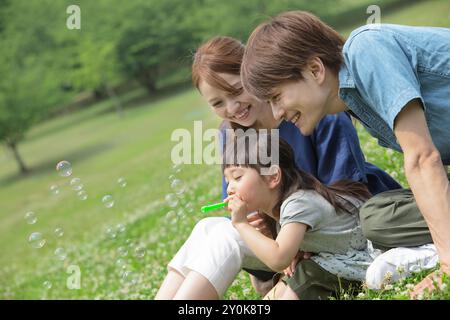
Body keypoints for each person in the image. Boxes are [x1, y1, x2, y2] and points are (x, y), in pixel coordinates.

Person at [155, 36, 403, 300]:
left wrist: (291, 234)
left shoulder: (312, 110)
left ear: (254, 76)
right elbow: (237, 203)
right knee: (207, 228)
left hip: (343, 233)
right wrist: (256, 221)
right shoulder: (230, 133)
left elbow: (344, 197)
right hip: (286, 241)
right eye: (217, 103)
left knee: (226, 238)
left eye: (237, 90)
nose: (231, 108)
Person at [240, 10, 450, 297]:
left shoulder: (367, 49)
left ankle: (437, 252)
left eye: (277, 97)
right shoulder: (356, 101)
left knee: (378, 218)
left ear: (315, 70)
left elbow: (423, 158)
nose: (276, 114)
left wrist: (447, 266)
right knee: (376, 215)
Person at [224, 132, 373, 300]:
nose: (230, 188)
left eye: (237, 177)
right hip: (329, 260)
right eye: (227, 180)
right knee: (279, 290)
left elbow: (279, 258)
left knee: (303, 278)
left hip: (357, 262)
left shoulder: (299, 203)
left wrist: (241, 224)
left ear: (273, 177)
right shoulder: (281, 207)